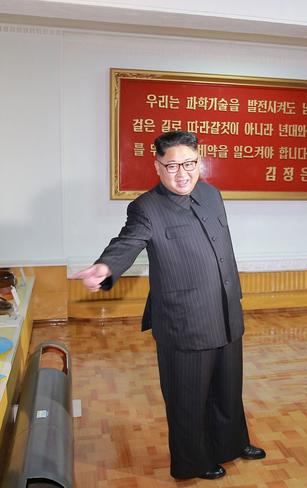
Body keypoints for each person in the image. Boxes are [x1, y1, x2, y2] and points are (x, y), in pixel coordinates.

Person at [72, 131, 264, 481]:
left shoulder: (211, 194)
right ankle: (193, 461)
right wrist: (106, 266)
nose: (182, 174)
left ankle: (231, 444)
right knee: (187, 400)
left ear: (199, 160)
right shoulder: (147, 207)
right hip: (184, 321)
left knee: (227, 388)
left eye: (190, 164)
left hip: (225, 311)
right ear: (157, 165)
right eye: (172, 166)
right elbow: (127, 242)